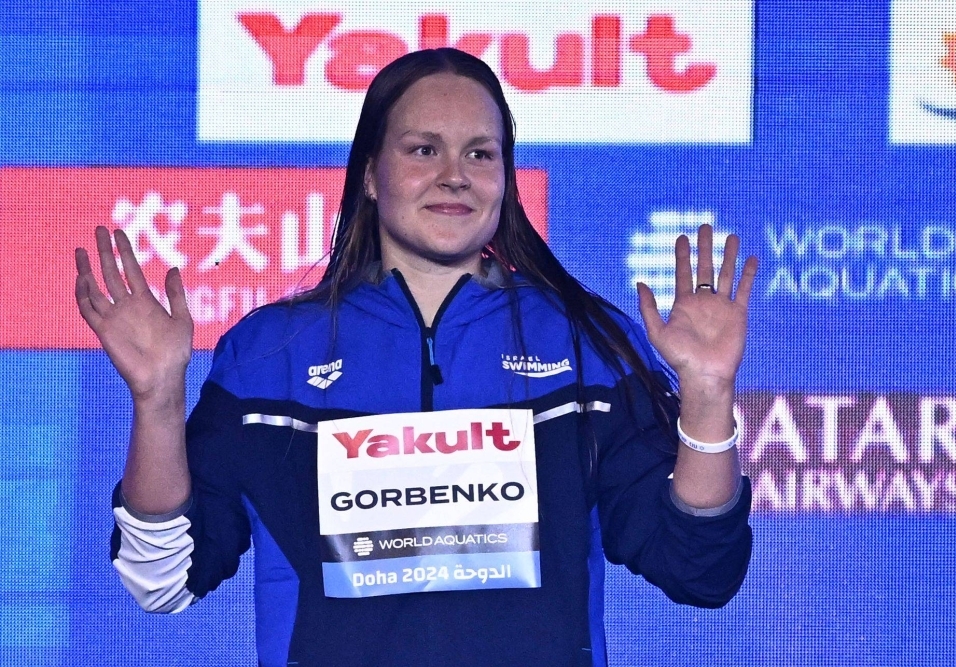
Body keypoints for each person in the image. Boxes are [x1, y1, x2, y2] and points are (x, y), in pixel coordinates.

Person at [75, 48, 757, 667]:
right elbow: (161, 579)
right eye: (423, 150)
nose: (454, 177)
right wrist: (157, 397)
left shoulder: (583, 344)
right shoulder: (271, 354)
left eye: (481, 154)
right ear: (371, 174)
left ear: (507, 177)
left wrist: (706, 390)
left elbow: (698, 567)